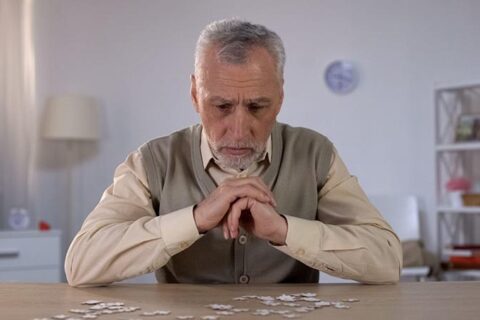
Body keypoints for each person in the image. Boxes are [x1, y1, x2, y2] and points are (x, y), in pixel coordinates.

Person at [65, 19, 402, 287]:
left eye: (257, 106)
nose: (239, 131)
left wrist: (284, 231)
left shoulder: (315, 154)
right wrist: (196, 218)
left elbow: (387, 259)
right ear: (196, 95)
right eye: (222, 106)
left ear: (280, 97)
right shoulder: (152, 161)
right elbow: (81, 263)